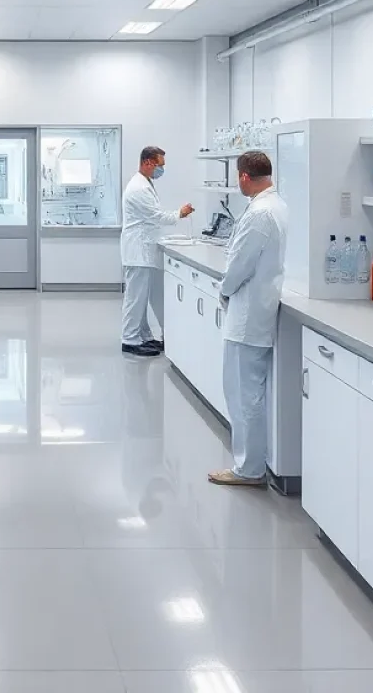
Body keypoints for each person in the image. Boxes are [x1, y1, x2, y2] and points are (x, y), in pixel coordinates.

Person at [209, 150, 288, 487]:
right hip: (260, 308)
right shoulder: (278, 206)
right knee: (250, 392)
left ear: (243, 176)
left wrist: (224, 289)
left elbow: (239, 265)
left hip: (246, 316)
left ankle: (249, 468)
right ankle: (253, 462)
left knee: (243, 395)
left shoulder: (258, 214)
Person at [120, 146, 193, 357]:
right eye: (160, 165)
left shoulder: (144, 183)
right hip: (137, 250)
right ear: (148, 162)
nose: (162, 170)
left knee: (141, 297)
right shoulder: (139, 188)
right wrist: (180, 213)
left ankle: (143, 335)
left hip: (142, 249)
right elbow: (157, 216)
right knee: (135, 297)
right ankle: (130, 339)